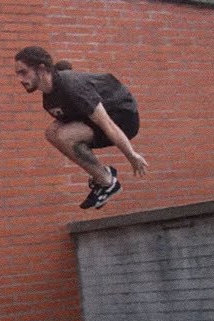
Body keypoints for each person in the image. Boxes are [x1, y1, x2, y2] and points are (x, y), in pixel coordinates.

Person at [14, 46, 148, 209]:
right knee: (52, 132)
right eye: (17, 74)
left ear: (41, 69)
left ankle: (108, 183)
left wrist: (131, 155)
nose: (20, 79)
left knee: (65, 136)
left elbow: (108, 124)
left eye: (23, 72)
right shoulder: (49, 100)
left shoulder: (73, 86)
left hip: (123, 118)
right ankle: (103, 175)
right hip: (93, 120)